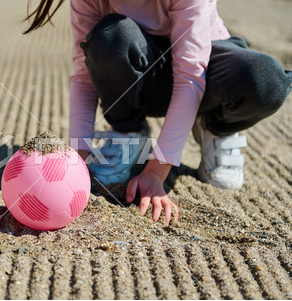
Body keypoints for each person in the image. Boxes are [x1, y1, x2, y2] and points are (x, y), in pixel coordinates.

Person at [24, 0, 292, 225]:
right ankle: (127, 130)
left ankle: (216, 126)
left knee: (265, 80)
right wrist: (78, 157)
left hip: (206, 72)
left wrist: (156, 172)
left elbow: (190, 76)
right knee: (110, 37)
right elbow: (83, 76)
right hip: (141, 73)